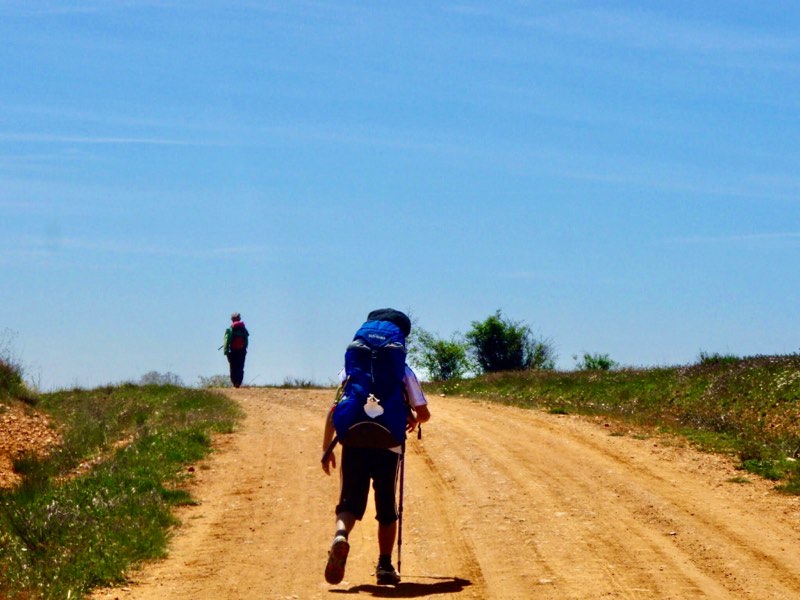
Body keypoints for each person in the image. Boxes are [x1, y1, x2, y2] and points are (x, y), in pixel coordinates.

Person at [321, 309, 431, 586]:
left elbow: (335, 409)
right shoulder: (403, 371)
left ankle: (341, 536)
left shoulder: (351, 367)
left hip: (353, 439)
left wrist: (326, 449)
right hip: (388, 443)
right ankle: (384, 565)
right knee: (386, 506)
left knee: (350, 500)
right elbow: (424, 412)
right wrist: (413, 418)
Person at [222, 312, 249, 388]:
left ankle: (235, 383)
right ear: (239, 319)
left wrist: (226, 351)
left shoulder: (230, 329)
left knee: (233, 367)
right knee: (240, 367)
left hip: (233, 351)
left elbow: (226, 341)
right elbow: (246, 340)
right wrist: (244, 348)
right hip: (242, 350)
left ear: (232, 320)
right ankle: (239, 383)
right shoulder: (243, 329)